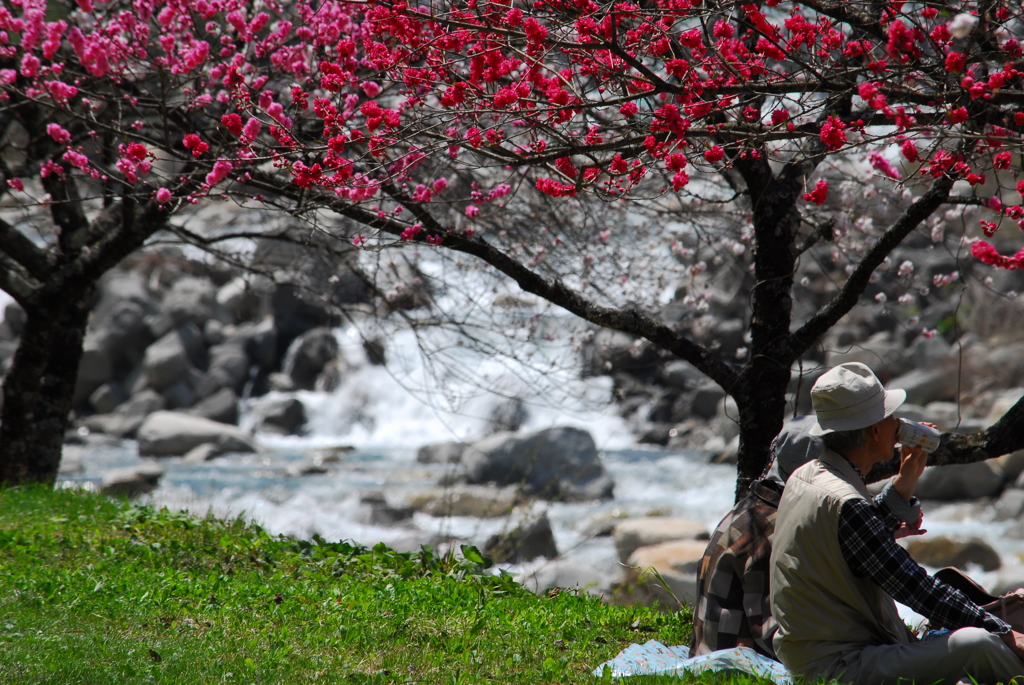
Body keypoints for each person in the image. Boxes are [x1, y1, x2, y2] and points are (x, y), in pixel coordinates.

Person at [769, 362, 1024, 685]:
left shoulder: (805, 477)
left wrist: (903, 486)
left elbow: (852, 545)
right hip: (841, 667)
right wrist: (1006, 633)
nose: (899, 424)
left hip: (812, 657)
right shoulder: (847, 504)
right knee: (975, 644)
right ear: (875, 431)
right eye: (891, 417)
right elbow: (917, 589)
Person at [691, 415, 922, 659]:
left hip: (712, 656)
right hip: (739, 668)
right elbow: (780, 636)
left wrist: (892, 508)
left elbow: (837, 538)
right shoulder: (777, 535)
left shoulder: (756, 509)